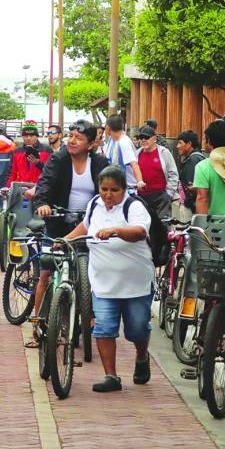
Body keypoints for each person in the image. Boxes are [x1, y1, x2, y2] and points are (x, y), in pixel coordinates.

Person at [64, 165, 154, 392]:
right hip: (102, 282)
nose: (108, 195)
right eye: (104, 189)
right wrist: (65, 240)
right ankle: (111, 376)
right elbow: (85, 225)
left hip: (135, 283)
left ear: (124, 189)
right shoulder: (94, 204)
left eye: (114, 190)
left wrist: (115, 230)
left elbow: (140, 232)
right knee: (103, 328)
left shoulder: (134, 207)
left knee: (137, 329)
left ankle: (142, 356)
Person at [28, 120, 109, 346]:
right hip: (57, 221)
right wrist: (43, 204)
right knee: (46, 272)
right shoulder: (58, 159)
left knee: (94, 272)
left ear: (91, 144)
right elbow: (44, 184)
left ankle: (89, 314)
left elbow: (112, 188)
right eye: (70, 136)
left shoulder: (101, 162)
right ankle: (38, 324)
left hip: (89, 225)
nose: (72, 141)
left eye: (79, 138)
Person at [135, 125, 178, 219]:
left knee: (162, 226)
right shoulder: (137, 154)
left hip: (161, 196)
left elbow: (173, 174)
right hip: (142, 196)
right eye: (141, 137)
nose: (143, 140)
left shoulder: (164, 152)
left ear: (154, 138)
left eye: (146, 137)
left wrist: (168, 194)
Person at [6, 120, 51, 193]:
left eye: (32, 135)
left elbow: (50, 172)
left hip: (39, 190)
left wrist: (38, 163)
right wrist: (8, 188)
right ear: (22, 137)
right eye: (26, 136)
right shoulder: (17, 151)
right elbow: (11, 173)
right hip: (20, 190)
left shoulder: (46, 150)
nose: (28, 138)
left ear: (36, 136)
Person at [102, 115, 144, 192]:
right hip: (114, 184)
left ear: (107, 128)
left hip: (127, 187)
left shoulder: (124, 142)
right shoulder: (111, 140)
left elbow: (134, 163)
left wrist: (140, 181)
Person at [174, 130, 206, 222]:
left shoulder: (193, 160)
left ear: (189, 144)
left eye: (180, 143)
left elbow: (192, 188)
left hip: (191, 208)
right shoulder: (197, 157)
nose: (177, 146)